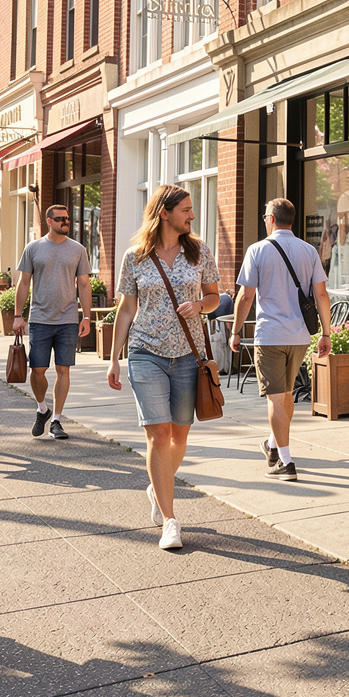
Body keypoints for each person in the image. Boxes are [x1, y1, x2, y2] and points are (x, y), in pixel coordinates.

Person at [105, 185, 220, 550]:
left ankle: (158, 487)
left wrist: (200, 305)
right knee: (157, 434)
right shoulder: (135, 256)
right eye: (185, 210)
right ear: (165, 213)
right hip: (145, 352)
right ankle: (170, 520)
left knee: (179, 435)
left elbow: (216, 296)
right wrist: (113, 358)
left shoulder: (199, 251)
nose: (191, 215)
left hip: (189, 354)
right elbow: (126, 309)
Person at [231, 198, 332, 481]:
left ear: (271, 219)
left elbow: (246, 295)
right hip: (299, 336)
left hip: (270, 335)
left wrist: (236, 331)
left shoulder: (258, 250)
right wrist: (326, 333)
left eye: (265, 216)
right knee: (285, 393)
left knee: (276, 397)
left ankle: (285, 462)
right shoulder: (308, 250)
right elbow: (321, 295)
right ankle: (273, 444)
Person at [12, 205, 92, 440]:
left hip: (68, 318)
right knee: (37, 370)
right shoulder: (33, 248)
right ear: (49, 221)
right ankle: (42, 409)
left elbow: (84, 285)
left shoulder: (78, 250)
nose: (65, 222)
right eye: (60, 219)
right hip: (39, 318)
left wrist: (85, 316)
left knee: (63, 369)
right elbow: (24, 283)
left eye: (67, 219)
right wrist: (18, 315)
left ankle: (56, 419)